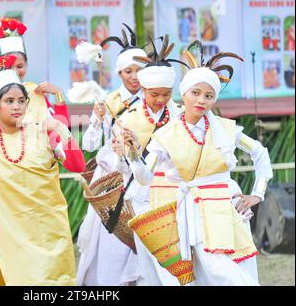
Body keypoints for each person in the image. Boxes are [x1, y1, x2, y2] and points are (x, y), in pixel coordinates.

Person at [123, 43, 273, 285]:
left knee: (236, 266)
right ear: (183, 94)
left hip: (228, 206)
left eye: (209, 95)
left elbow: (260, 153)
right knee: (210, 271)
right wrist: (132, 153)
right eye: (196, 93)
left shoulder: (226, 129)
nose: (201, 100)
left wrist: (258, 193)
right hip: (192, 211)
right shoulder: (166, 135)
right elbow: (143, 178)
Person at [0, 62, 85, 285]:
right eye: (9, 101)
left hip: (49, 232)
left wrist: (62, 130)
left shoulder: (44, 134)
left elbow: (77, 165)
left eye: (21, 101)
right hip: (12, 238)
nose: (17, 106)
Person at [111, 35, 186, 286]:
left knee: (174, 261)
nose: (161, 100)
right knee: (148, 263)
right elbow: (120, 168)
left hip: (173, 195)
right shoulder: (126, 118)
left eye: (167, 94)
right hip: (139, 196)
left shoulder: (180, 116)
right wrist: (125, 152)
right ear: (143, 90)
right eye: (155, 94)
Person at [76, 24, 149, 286]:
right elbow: (91, 144)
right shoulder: (107, 101)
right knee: (109, 237)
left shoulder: (153, 99)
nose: (134, 76)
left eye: (139, 71)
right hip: (111, 177)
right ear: (119, 72)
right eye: (128, 71)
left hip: (141, 172)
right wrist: (96, 120)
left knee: (139, 234)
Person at [0, 17, 70, 128]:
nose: (15, 71)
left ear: (26, 65)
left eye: (20, 66)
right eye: (9, 66)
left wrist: (58, 93)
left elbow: (60, 131)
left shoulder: (34, 92)